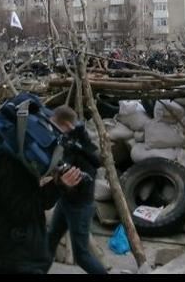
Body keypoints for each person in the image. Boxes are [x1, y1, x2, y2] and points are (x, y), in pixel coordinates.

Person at [0, 100, 84, 274]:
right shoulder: (17, 159)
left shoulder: (1, 141)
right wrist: (59, 186)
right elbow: (23, 209)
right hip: (16, 254)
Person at [47, 106, 108, 274]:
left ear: (66, 124)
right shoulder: (71, 140)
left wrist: (60, 180)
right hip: (66, 201)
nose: (53, 130)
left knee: (81, 255)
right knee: (50, 240)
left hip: (80, 205)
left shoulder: (81, 144)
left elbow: (86, 177)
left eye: (55, 126)